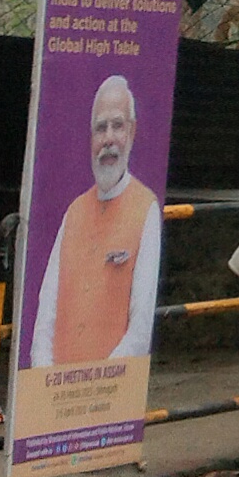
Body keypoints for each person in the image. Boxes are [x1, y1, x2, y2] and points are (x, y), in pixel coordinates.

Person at [30, 70, 159, 365]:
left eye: (118, 126)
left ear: (132, 132)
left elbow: (140, 330)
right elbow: (45, 315)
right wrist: (45, 374)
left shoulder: (146, 209)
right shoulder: (74, 212)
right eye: (101, 128)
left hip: (110, 385)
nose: (109, 139)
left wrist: (96, 382)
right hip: (57, 383)